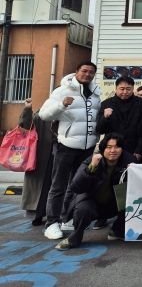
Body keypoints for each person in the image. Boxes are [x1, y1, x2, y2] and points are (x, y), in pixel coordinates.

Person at [39, 61, 101, 241]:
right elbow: (43, 115)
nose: (87, 74)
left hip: (88, 147)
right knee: (58, 186)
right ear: (76, 71)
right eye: (84, 71)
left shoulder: (96, 93)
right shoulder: (62, 91)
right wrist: (62, 105)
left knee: (78, 185)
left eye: (91, 72)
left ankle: (67, 218)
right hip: (66, 146)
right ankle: (51, 223)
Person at [54, 133, 134, 251]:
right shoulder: (92, 160)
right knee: (83, 209)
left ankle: (117, 230)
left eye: (117, 147)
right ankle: (74, 238)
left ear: (122, 149)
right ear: (103, 149)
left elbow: (139, 186)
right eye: (109, 147)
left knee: (133, 201)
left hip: (114, 203)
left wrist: (133, 171)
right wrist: (91, 168)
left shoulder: (129, 161)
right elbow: (76, 186)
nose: (113, 150)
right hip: (92, 201)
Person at [19, 99, 56, 227]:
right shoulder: (42, 114)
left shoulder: (67, 114)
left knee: (55, 187)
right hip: (40, 157)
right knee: (40, 187)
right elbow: (25, 125)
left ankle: (54, 215)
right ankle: (37, 216)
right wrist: (27, 109)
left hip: (60, 155)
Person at [96, 76, 142, 161]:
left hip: (133, 148)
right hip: (112, 149)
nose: (125, 92)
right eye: (122, 89)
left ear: (133, 89)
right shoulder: (106, 104)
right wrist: (105, 118)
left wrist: (139, 150)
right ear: (116, 88)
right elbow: (99, 130)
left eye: (128, 89)